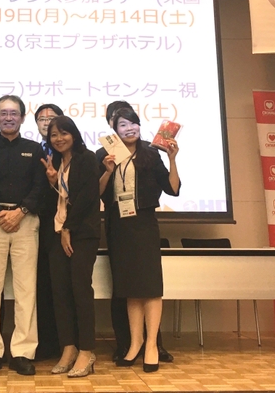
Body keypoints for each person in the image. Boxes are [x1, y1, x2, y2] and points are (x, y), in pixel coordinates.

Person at [99, 107, 180, 373]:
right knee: (129, 288)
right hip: (118, 226)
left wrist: (172, 160)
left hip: (144, 225)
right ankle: (135, 343)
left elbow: (173, 189)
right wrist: (108, 170)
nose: (129, 128)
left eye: (133, 123)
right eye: (123, 125)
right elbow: (96, 193)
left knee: (150, 287)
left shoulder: (150, 153)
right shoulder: (105, 153)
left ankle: (152, 345)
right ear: (115, 129)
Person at [0, 95, 46, 376]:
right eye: (3, 113)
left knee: (26, 290)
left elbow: (40, 186)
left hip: (26, 221)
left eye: (13, 113)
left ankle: (23, 352)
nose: (8, 117)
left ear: (22, 117)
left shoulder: (34, 149)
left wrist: (21, 211)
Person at [40, 116, 100, 377]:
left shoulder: (87, 159)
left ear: (74, 135)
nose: (59, 139)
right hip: (56, 232)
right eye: (53, 135)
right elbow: (56, 200)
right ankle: (68, 348)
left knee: (80, 289)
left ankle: (87, 350)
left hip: (81, 233)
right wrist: (51, 182)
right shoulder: (54, 163)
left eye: (63, 133)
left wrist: (68, 229)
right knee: (60, 292)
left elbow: (87, 197)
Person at [33, 103, 64, 360]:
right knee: (41, 285)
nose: (46, 122)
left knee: (61, 285)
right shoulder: (33, 151)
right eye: (42, 119)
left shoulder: (70, 152)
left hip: (64, 225)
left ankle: (67, 342)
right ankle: (45, 342)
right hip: (35, 223)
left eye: (51, 118)